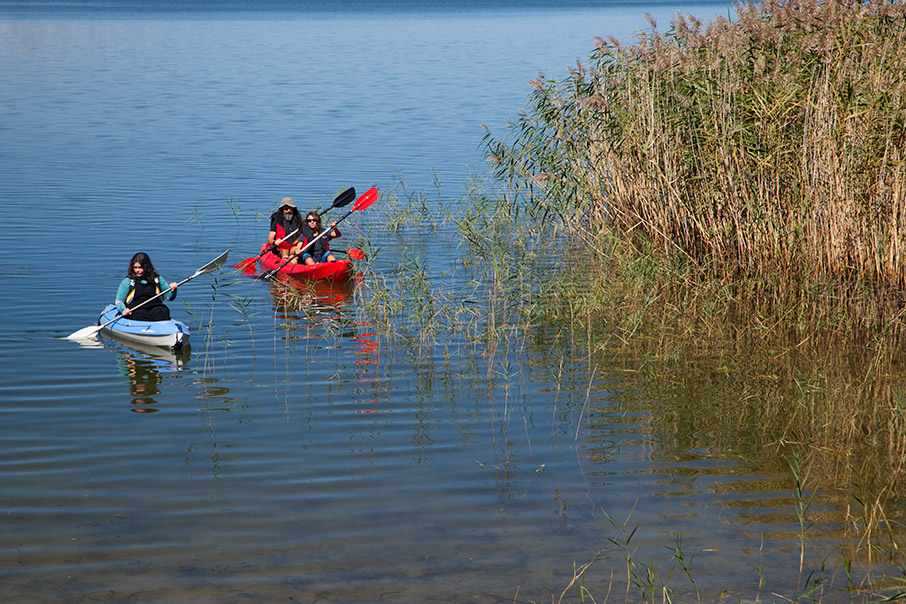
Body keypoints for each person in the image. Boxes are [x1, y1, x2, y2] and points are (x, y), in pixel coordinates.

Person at [114, 252, 177, 321]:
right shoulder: (127, 281)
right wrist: (123, 310)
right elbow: (119, 301)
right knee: (142, 315)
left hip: (155, 307)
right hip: (136, 309)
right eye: (135, 268)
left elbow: (169, 297)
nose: (137, 270)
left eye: (140, 268)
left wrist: (173, 290)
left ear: (146, 267)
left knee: (162, 312)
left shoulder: (157, 279)